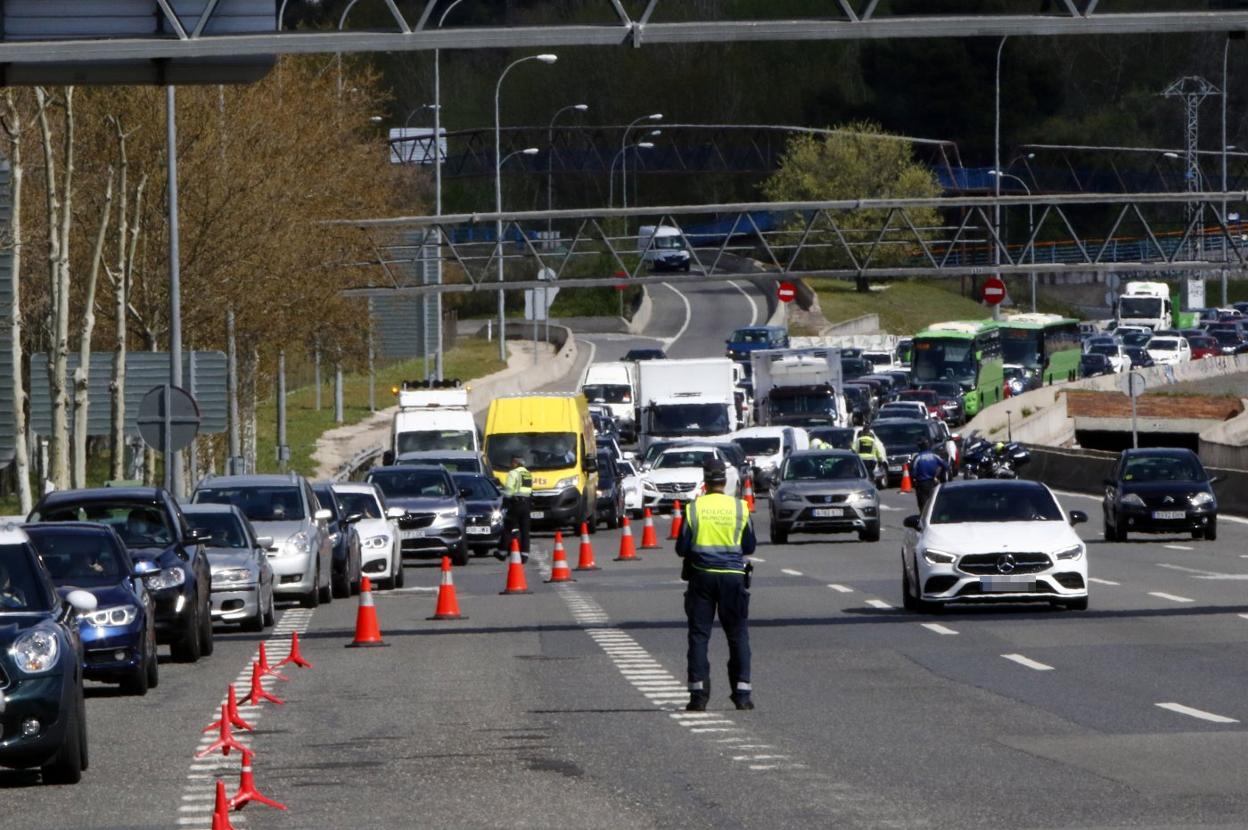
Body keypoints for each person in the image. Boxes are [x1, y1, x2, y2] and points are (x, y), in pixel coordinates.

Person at [676, 458, 757, 712]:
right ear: (725, 480)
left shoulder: (694, 508)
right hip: (733, 577)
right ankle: (742, 695)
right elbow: (749, 546)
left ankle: (698, 696)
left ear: (706, 481)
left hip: (702, 576)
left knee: (700, 636)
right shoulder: (739, 508)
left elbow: (682, 548)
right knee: (737, 634)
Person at [496, 455, 533, 563]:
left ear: (516, 463)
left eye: (512, 463)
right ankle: (524, 555)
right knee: (525, 530)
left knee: (508, 527)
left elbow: (509, 490)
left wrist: (505, 502)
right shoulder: (527, 473)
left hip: (516, 503)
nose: (510, 465)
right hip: (527, 503)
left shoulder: (513, 473)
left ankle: (502, 552)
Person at [910, 438, 949, 512]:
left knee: (923, 504)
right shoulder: (934, 456)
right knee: (934, 501)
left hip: (922, 484)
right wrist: (940, 476)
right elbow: (946, 466)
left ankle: (924, 517)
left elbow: (913, 472)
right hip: (934, 482)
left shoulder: (918, 458)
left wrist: (914, 481)